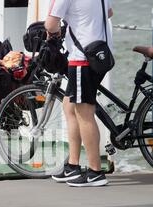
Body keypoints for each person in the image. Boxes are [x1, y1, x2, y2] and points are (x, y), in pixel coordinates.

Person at [46, 0, 113, 187]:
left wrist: (59, 29)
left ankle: (95, 172)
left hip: (82, 58)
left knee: (84, 113)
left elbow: (50, 24)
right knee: (69, 105)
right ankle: (73, 166)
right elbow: (109, 13)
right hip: (101, 53)